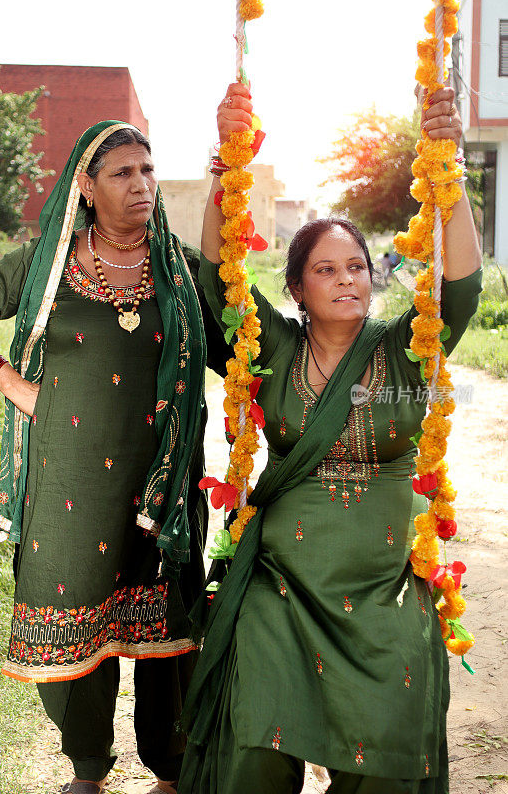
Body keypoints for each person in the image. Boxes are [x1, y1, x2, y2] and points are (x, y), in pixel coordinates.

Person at [178, 83, 482, 794]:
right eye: (326, 269)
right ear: (297, 288)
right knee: (256, 747)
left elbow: (460, 287)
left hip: (383, 593)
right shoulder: (272, 347)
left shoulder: (409, 349)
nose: (346, 279)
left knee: (381, 758)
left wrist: (448, 170)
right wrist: (227, 168)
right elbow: (213, 286)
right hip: (280, 588)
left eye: (355, 267)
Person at [0, 121, 228, 794]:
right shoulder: (46, 263)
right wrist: (7, 378)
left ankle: (171, 772)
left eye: (147, 170)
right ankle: (87, 767)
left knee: (166, 634)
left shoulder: (179, 270)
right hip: (69, 484)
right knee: (71, 624)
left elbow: (240, 344)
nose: (141, 184)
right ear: (86, 187)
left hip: (159, 488)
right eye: (122, 173)